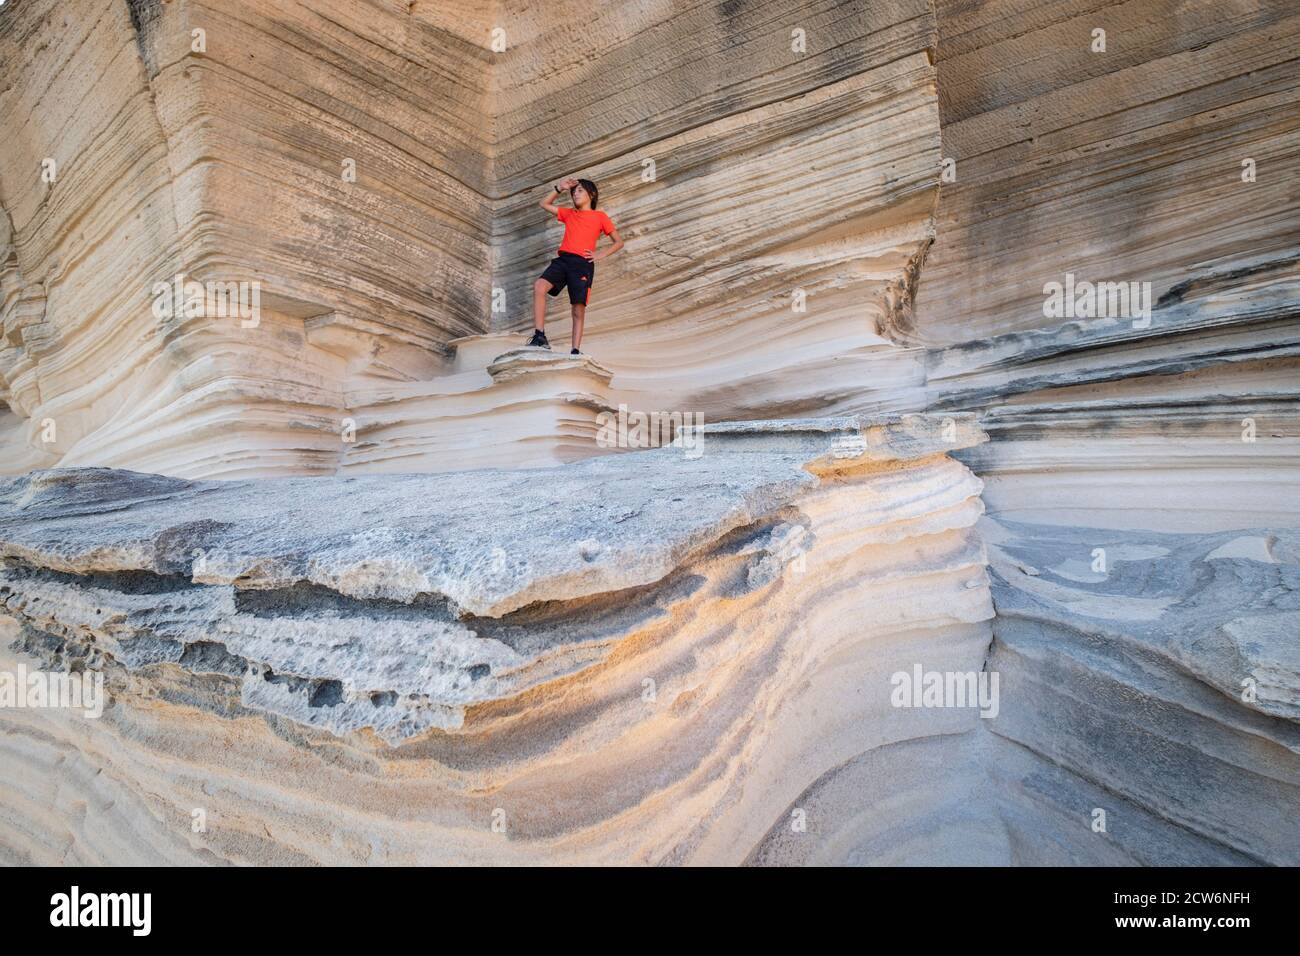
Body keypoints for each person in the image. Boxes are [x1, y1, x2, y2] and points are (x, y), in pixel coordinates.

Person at [527, 177, 623, 354]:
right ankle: (539, 336)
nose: (575, 194)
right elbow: (544, 203)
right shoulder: (570, 213)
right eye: (573, 192)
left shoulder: (600, 217)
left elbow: (618, 242)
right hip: (563, 260)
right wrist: (559, 188)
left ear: (591, 194)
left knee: (578, 308)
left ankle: (575, 350)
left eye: (579, 191)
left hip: (582, 264)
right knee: (539, 286)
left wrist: (600, 254)